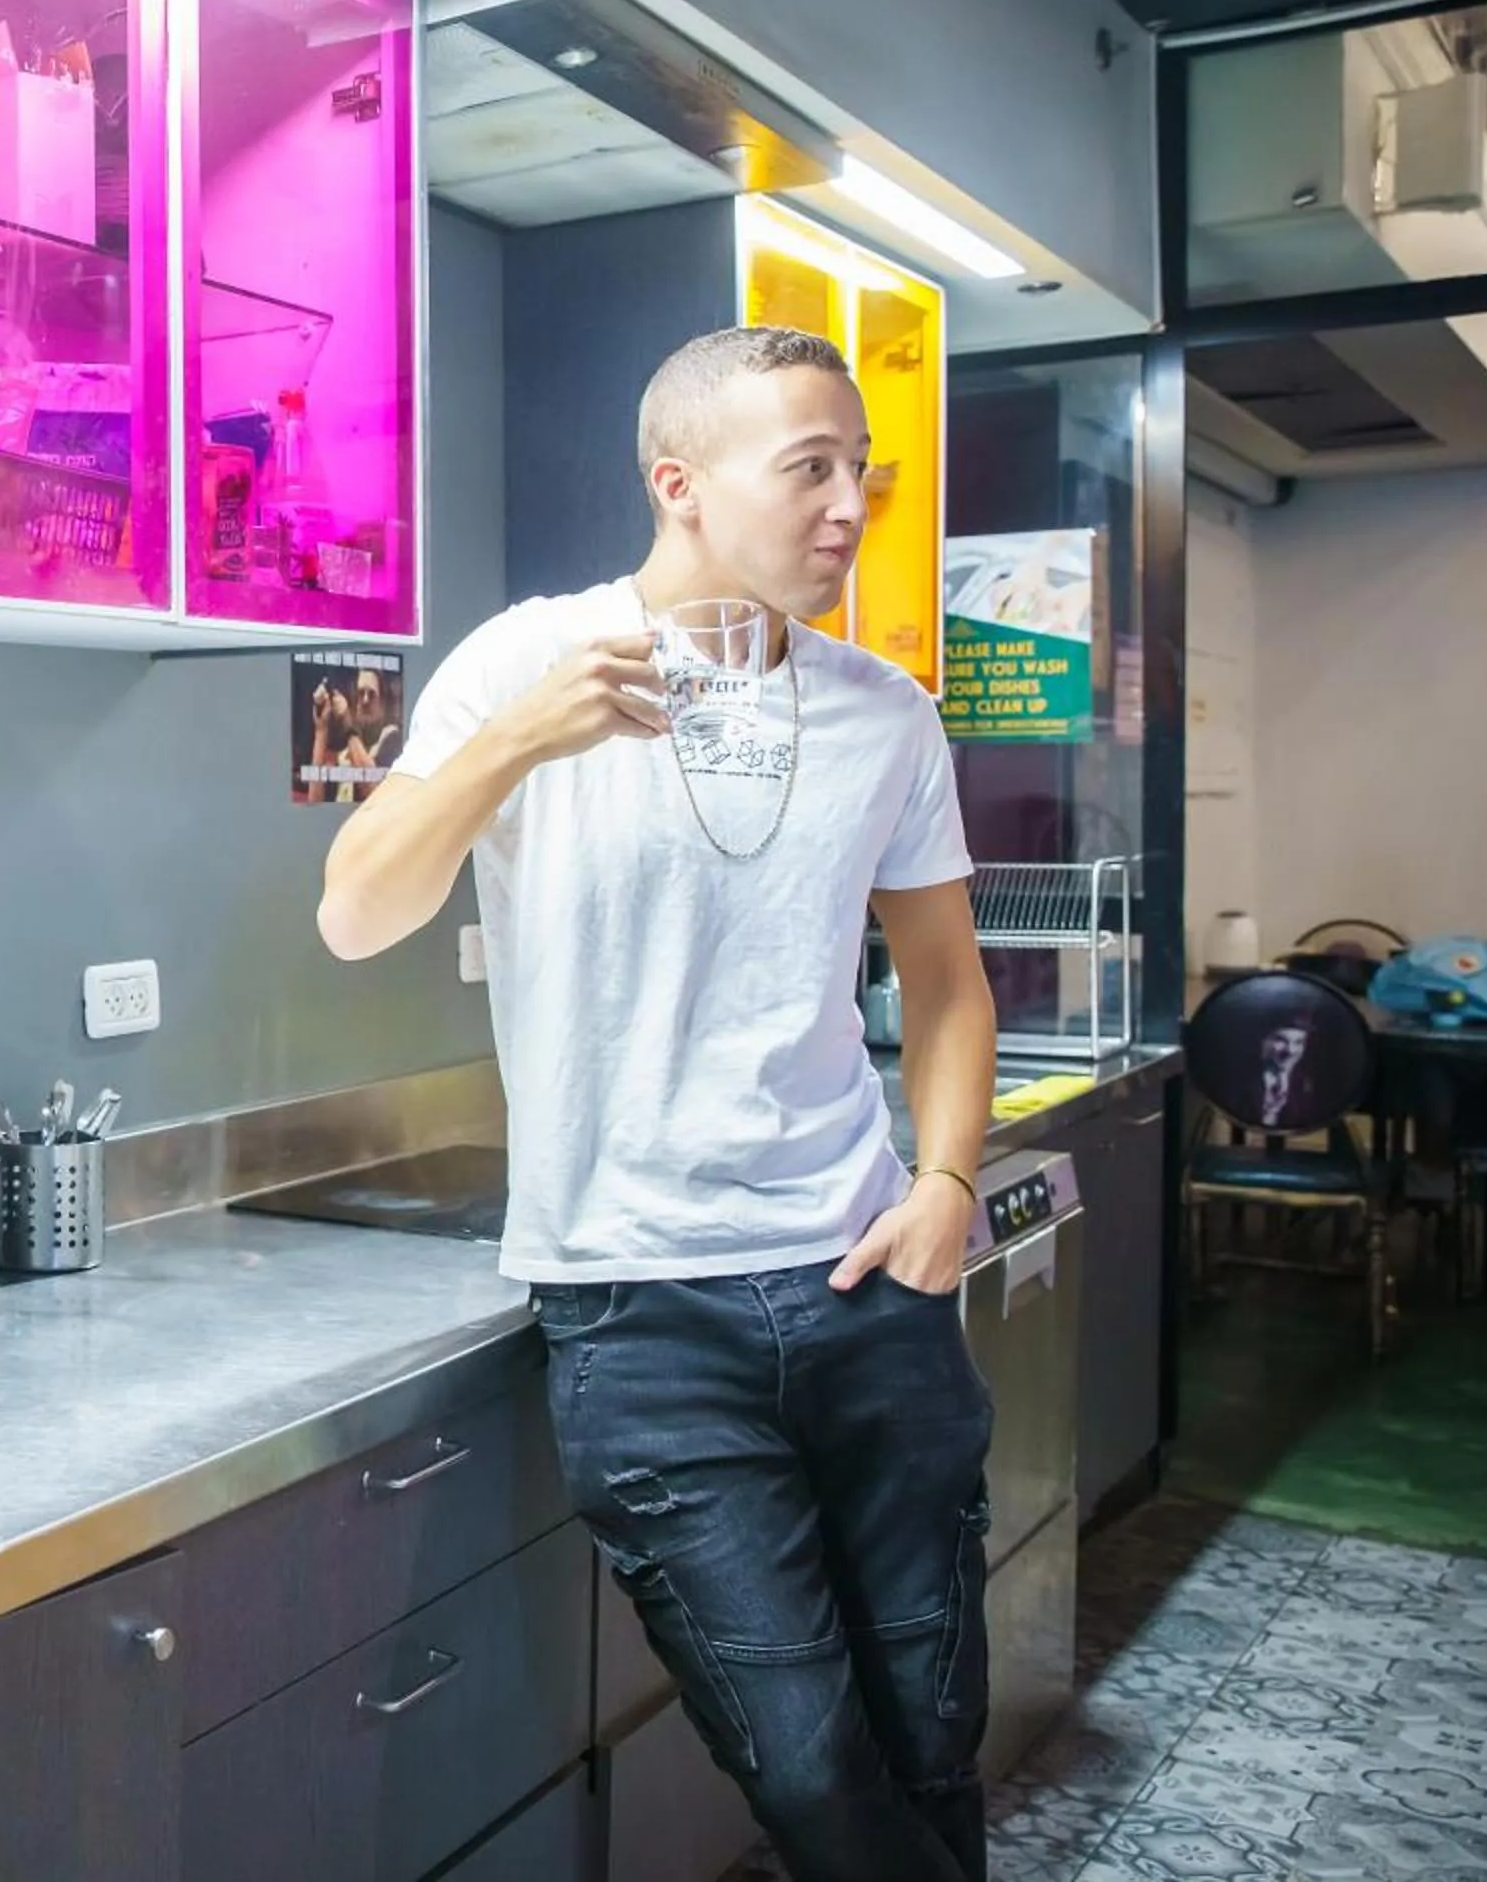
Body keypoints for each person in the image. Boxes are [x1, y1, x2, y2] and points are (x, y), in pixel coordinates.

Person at [316, 326, 1000, 1882]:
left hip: (865, 1283)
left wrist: (947, 1186)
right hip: (638, 1315)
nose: (850, 507)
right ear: (680, 485)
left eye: (861, 473)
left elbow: (948, 983)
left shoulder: (886, 713)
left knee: (928, 1731)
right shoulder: (521, 663)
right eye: (810, 469)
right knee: (809, 1765)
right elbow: (357, 912)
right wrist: (517, 742)